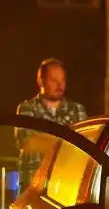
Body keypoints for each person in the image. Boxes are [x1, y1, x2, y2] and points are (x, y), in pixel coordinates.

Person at [14, 58, 89, 188]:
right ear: (41, 81)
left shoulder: (77, 109)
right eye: (54, 80)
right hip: (34, 188)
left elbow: (84, 147)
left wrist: (44, 138)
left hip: (66, 187)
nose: (60, 86)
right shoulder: (27, 108)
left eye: (63, 80)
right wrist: (68, 143)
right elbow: (28, 141)